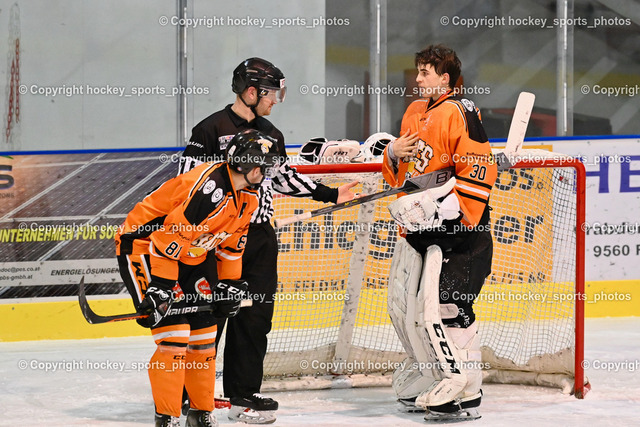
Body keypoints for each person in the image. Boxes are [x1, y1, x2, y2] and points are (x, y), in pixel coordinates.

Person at [178, 57, 357, 424]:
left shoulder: (271, 134)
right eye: (271, 93)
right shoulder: (209, 130)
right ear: (250, 92)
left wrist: (328, 193)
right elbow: (186, 184)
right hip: (217, 239)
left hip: (259, 237)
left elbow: (283, 177)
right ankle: (190, 397)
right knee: (209, 317)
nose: (275, 100)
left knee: (255, 316)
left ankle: (243, 395)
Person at [115, 129, 282, 427]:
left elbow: (231, 248)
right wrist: (161, 288)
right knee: (175, 336)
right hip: (144, 247)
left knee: (204, 334)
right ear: (248, 164)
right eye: (264, 166)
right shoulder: (210, 190)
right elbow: (165, 239)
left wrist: (229, 285)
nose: (266, 172)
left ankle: (201, 413)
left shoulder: (249, 197)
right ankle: (167, 417)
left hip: (191, 253)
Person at [382, 44, 497, 422]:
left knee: (449, 306)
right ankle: (433, 373)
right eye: (417, 71)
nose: (417, 79)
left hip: (460, 233)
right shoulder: (414, 111)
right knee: (411, 308)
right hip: (423, 231)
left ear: (445, 78)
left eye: (425, 72)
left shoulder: (460, 111)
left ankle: (468, 387)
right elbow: (406, 175)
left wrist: (452, 211)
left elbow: (479, 168)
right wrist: (393, 153)